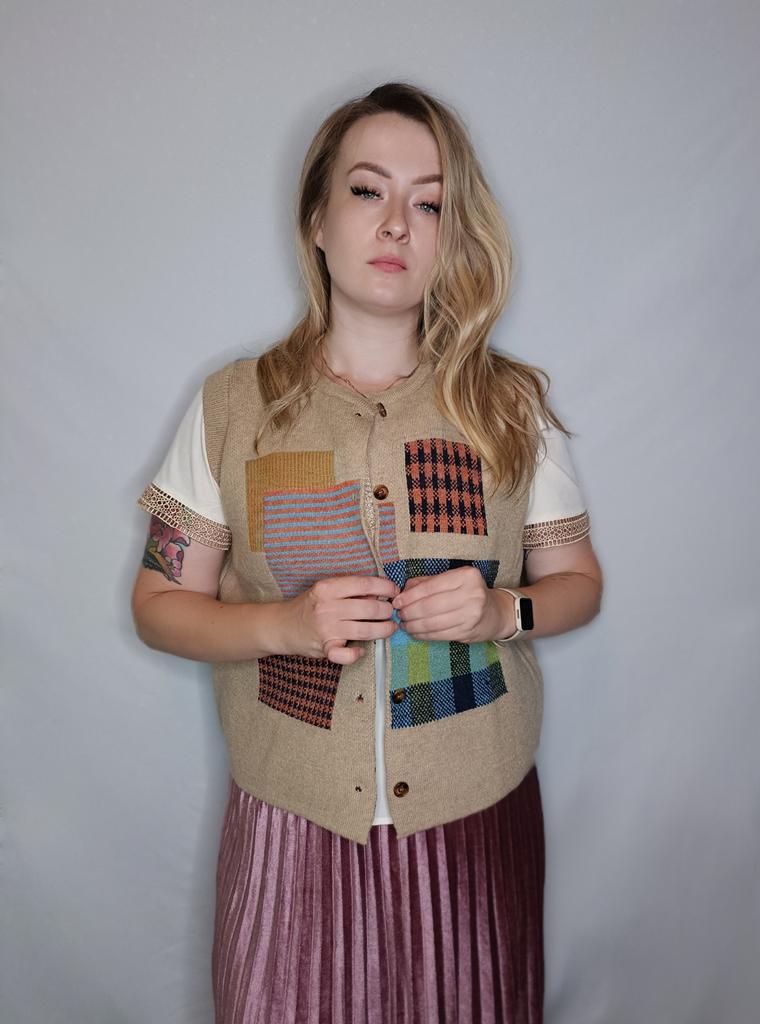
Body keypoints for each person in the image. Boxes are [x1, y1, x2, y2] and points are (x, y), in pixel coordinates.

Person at [131, 80, 603, 1024]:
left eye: (428, 203)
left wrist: (501, 611)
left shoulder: (508, 407)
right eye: (366, 190)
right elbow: (158, 604)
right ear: (316, 217)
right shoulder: (234, 407)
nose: (395, 224)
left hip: (474, 824)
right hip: (291, 818)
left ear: (452, 233)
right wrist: (282, 624)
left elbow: (577, 585)